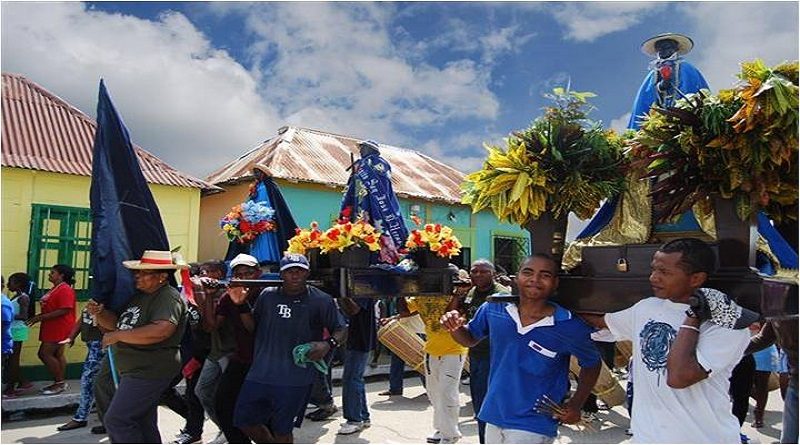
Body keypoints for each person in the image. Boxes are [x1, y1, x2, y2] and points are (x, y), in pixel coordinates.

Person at [580, 238, 756, 443]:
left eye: (664, 272)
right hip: (647, 438)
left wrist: (693, 316)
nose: (653, 278)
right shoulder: (647, 308)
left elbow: (679, 377)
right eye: (653, 269)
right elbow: (600, 322)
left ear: (696, 279)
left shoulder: (727, 326)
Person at [441, 254, 601, 444]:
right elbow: (470, 339)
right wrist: (454, 326)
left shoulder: (568, 324)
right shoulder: (495, 308)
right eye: (528, 272)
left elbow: (592, 363)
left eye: (545, 275)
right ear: (516, 278)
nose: (535, 279)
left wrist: (576, 403)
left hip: (534, 421)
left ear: (555, 283)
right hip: (494, 413)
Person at [231, 253, 346, 443]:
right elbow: (254, 327)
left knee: (282, 430)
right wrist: (241, 306)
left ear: (307, 273)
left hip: (295, 379)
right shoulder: (267, 296)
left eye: (299, 271)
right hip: (260, 374)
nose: (294, 275)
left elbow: (341, 328)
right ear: (281, 274)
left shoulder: (321, 300)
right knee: (245, 421)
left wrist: (328, 344)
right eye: (289, 271)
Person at [88, 250, 188, 444]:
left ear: (161, 277)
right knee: (142, 421)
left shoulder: (167, 297)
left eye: (144, 272)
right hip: (135, 368)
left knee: (118, 420)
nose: (137, 276)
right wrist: (99, 314)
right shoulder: (139, 296)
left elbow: (162, 330)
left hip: (149, 369)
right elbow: (117, 324)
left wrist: (118, 335)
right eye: (137, 272)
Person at [449, 259, 509, 443]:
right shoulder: (471, 292)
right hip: (476, 354)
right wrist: (458, 295)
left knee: (492, 403)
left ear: (493, 274)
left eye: (483, 272)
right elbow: (454, 313)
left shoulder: (501, 295)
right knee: (479, 402)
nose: (478, 275)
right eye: (474, 271)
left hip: (495, 357)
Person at [399, 290, 467, 444]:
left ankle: (450, 435)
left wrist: (457, 294)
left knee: (447, 391)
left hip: (454, 349)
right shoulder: (420, 297)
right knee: (434, 391)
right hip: (431, 349)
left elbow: (451, 314)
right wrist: (400, 291)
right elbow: (403, 311)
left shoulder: (457, 294)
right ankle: (441, 428)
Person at [212, 253, 262, 444]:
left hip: (264, 361)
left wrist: (241, 305)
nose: (243, 277)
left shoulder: (267, 294)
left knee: (264, 413)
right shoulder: (227, 297)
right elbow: (212, 325)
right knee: (223, 404)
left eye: (248, 273)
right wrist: (207, 298)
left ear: (257, 273)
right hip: (241, 358)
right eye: (238, 274)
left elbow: (253, 328)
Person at [193, 259, 235, 445]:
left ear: (218, 274)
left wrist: (205, 295)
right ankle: (226, 428)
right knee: (202, 391)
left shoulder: (227, 293)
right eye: (201, 272)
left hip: (230, 352)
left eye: (206, 271)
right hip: (216, 351)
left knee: (228, 396)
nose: (202, 275)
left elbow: (210, 323)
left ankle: (233, 431)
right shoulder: (206, 291)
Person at [26, 264, 77, 395]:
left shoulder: (65, 289)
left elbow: (65, 309)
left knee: (44, 353)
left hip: (59, 326)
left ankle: (59, 382)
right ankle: (58, 382)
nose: (49, 274)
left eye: (53, 272)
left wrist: (40, 317)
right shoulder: (56, 288)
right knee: (57, 354)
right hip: (52, 326)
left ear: (61, 275)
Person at [747, 320, 798, 443]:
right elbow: (764, 338)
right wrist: (733, 351)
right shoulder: (777, 309)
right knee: (788, 440)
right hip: (795, 382)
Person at [56, 307, 106, 431]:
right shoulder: (95, 299)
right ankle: (86, 418)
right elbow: (82, 319)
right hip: (93, 344)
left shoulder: (109, 300)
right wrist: (71, 336)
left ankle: (82, 418)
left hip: (102, 344)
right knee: (93, 382)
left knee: (89, 381)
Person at [337, 296, 377, 435]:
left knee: (351, 379)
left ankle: (354, 420)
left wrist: (341, 294)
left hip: (360, 340)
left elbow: (353, 309)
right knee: (356, 378)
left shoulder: (362, 287)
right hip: (359, 338)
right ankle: (363, 417)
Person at [3, 273, 33, 398]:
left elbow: (24, 316)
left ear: (19, 284)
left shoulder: (23, 298)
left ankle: (11, 389)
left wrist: (7, 315)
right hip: (13, 330)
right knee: (11, 359)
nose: (8, 285)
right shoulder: (17, 296)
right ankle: (22, 382)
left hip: (17, 330)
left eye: (11, 282)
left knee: (13, 360)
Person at [751, 342, 781, 428]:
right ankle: (758, 408)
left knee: (762, 386)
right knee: (741, 386)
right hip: (743, 350)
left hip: (763, 352)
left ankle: (759, 416)